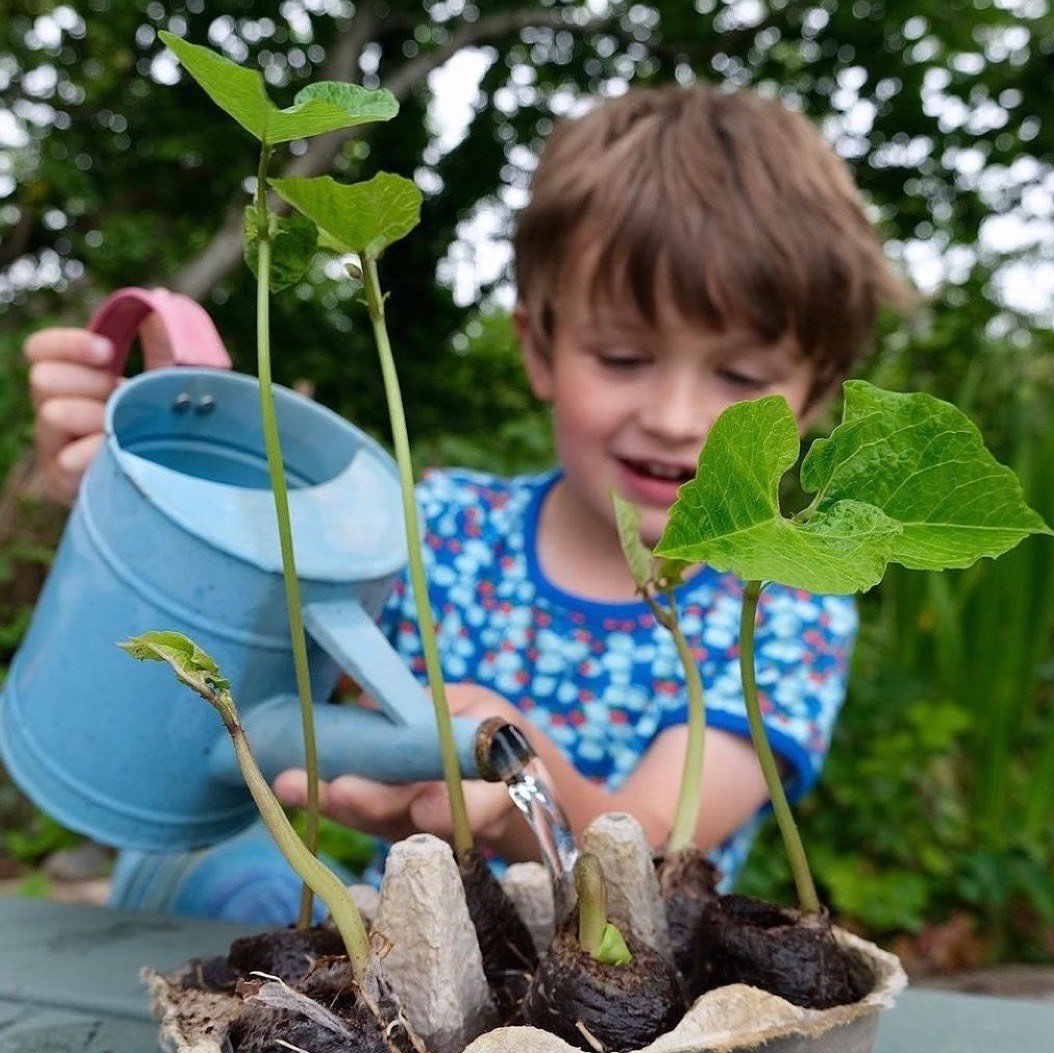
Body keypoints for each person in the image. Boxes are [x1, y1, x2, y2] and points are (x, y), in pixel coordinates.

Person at [22, 85, 911, 921]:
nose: (676, 418)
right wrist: (134, 507)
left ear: (815, 393)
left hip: (627, 1007)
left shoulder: (784, 595)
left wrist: (505, 769)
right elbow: (241, 662)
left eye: (743, 377)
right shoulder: (439, 527)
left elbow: (651, 846)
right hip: (405, 974)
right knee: (215, 878)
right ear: (538, 348)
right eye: (623, 358)